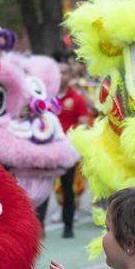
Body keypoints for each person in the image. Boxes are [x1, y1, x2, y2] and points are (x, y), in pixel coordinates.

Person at [55, 58, 93, 239]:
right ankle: (38, 229)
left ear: (69, 76)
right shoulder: (46, 97)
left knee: (68, 187)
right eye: (58, 71)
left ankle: (68, 226)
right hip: (48, 150)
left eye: (64, 72)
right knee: (43, 189)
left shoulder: (76, 98)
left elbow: (83, 123)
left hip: (67, 151)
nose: (60, 75)